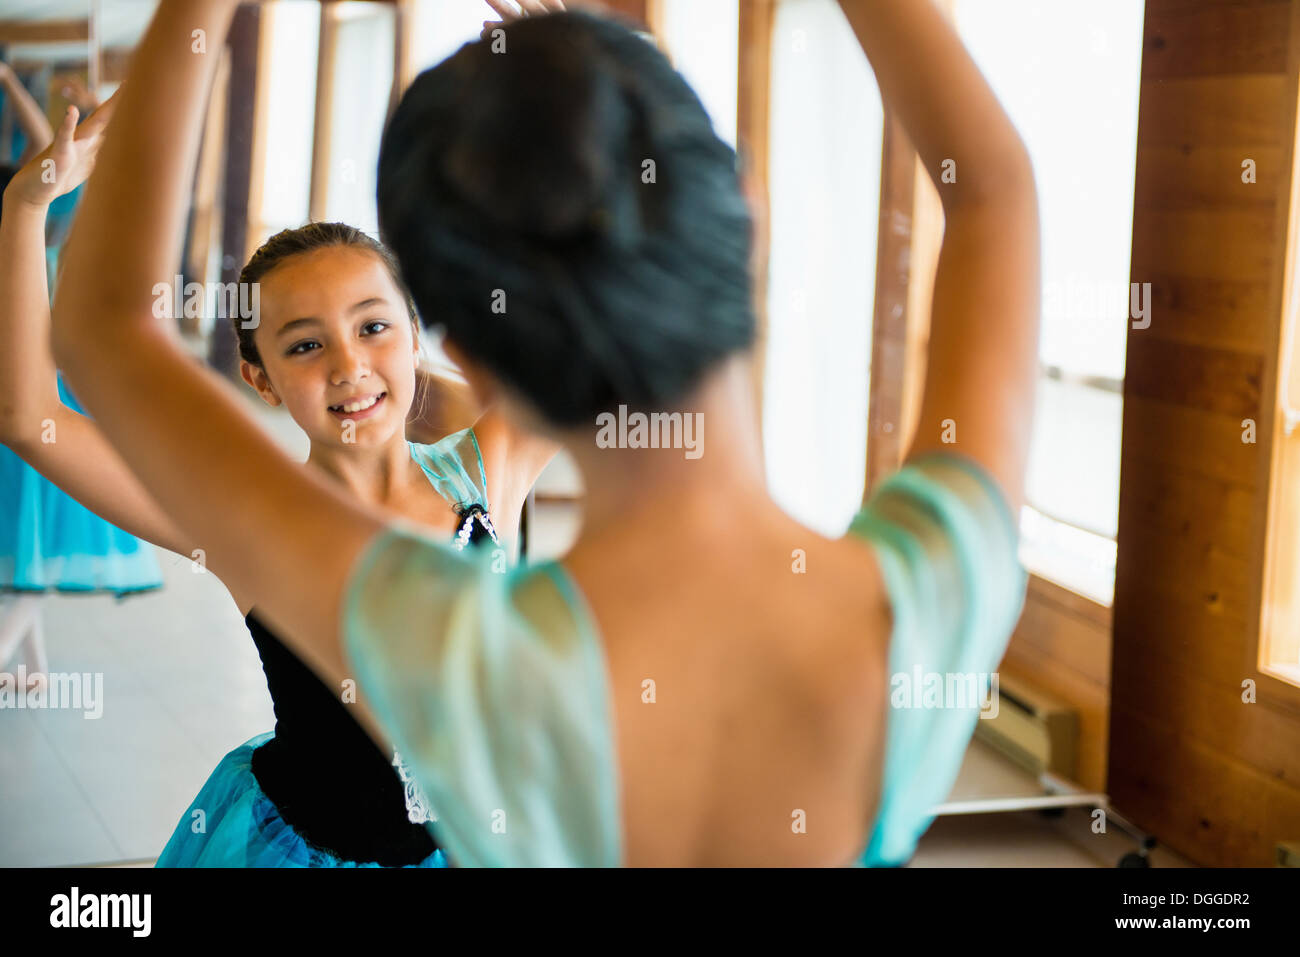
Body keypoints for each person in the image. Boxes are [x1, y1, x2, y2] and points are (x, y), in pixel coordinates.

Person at [51, 0, 1040, 866]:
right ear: (746, 221)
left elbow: (102, 332)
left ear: (462, 361)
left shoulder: (443, 652)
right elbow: (991, 190)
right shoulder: (932, 595)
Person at [1, 99, 557, 866]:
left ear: (412, 332)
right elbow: (31, 417)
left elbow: (586, 304)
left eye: (372, 325)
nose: (349, 366)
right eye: (304, 344)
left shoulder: (483, 475)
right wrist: (27, 207)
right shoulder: (245, 521)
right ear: (261, 380)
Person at [0, 83, 160, 685]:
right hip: (25, 388)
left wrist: (13, 84)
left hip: (42, 380)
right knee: (22, 546)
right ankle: (34, 667)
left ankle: (23, 662)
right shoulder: (27, 228)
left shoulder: (42, 229)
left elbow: (53, 157)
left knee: (27, 539)